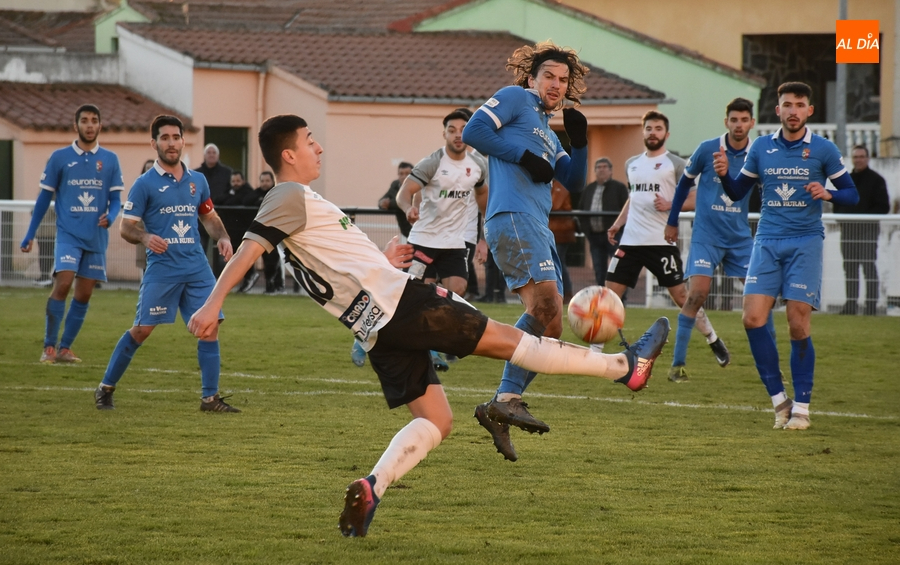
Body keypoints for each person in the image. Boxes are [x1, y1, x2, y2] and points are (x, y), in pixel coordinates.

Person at [186, 113, 670, 537]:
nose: (319, 146)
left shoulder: (304, 201)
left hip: (376, 329)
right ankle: (625, 367)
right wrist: (212, 304)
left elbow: (330, 267)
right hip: (405, 306)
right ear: (288, 154)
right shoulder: (288, 193)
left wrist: (384, 259)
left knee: (437, 420)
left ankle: (371, 488)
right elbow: (250, 249)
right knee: (513, 341)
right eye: (311, 139)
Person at [461, 40, 590, 450]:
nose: (556, 84)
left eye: (563, 79)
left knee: (550, 325)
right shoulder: (516, 99)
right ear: (532, 78)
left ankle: (501, 404)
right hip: (513, 218)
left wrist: (580, 143)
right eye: (549, 76)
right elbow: (473, 130)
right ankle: (505, 396)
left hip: (538, 227)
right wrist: (521, 155)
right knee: (547, 308)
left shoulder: (550, 136)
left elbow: (575, 183)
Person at [714, 82, 858, 430]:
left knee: (797, 323)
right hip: (766, 240)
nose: (793, 110)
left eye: (800, 105)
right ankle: (780, 402)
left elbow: (852, 195)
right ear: (777, 111)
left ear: (810, 111)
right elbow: (737, 192)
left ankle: (803, 409)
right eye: (787, 105)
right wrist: (723, 177)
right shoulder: (762, 147)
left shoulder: (823, 149)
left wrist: (828, 193)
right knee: (752, 318)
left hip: (805, 242)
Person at [93, 114, 239, 413]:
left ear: (183, 141)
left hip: (197, 268)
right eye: (165, 138)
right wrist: (146, 238)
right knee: (142, 330)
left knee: (210, 327)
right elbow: (126, 227)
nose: (171, 143)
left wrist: (222, 237)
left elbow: (208, 216)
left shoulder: (198, 181)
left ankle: (210, 399)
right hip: (163, 270)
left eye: (176, 137)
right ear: (154, 143)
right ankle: (105, 387)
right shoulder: (144, 185)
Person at [606, 110, 729, 367]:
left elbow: (694, 198)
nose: (653, 133)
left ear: (667, 134)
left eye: (658, 129)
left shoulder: (677, 164)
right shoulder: (632, 164)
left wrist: (671, 205)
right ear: (644, 132)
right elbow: (634, 198)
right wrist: (618, 224)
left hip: (661, 242)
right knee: (609, 296)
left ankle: (712, 338)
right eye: (649, 128)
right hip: (630, 242)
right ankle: (595, 350)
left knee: (683, 297)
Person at [663, 97, 767, 383]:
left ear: (751, 123)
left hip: (739, 239)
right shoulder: (708, 149)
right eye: (734, 120)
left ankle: (770, 368)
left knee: (761, 299)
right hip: (706, 236)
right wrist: (672, 220)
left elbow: (767, 188)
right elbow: (685, 182)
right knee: (696, 295)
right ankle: (678, 365)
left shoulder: (757, 154)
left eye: (744, 120)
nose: (739, 125)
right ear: (726, 122)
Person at [19, 104, 124, 364]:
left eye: (94, 120)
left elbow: (116, 199)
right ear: (75, 125)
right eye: (85, 121)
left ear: (100, 125)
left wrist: (111, 216)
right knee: (64, 283)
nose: (89, 125)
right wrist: (30, 234)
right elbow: (44, 198)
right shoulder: (59, 157)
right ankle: (49, 347)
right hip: (67, 234)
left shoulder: (109, 159)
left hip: (96, 237)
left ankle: (65, 348)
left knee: (84, 293)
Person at [396, 109, 489, 371]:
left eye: (463, 129)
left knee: (457, 289)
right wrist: (408, 208)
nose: (458, 135)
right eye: (452, 130)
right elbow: (404, 194)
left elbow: (484, 201)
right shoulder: (432, 163)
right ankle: (373, 335)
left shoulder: (478, 165)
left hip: (454, 242)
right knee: (411, 295)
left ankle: (431, 342)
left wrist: (483, 239)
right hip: (425, 239)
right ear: (444, 133)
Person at [835, 145, 890, 316]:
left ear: (867, 158)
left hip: (868, 230)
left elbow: (883, 207)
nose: (858, 159)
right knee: (850, 268)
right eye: (856, 157)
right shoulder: (846, 180)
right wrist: (843, 218)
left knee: (868, 266)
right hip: (848, 230)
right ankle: (850, 306)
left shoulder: (877, 180)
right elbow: (838, 202)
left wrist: (862, 217)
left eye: (861, 156)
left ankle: (871, 308)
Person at [579, 157, 629, 285]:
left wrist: (620, 230)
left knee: (617, 267)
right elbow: (581, 211)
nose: (601, 170)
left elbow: (627, 210)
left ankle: (619, 299)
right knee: (599, 269)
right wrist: (587, 232)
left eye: (604, 167)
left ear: (611, 171)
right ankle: (602, 299)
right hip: (595, 236)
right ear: (594, 171)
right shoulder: (589, 189)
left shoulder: (619, 188)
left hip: (614, 236)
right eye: (598, 167)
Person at [194, 143, 233, 277]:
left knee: (221, 251)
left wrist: (219, 200)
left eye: (213, 153)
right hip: (200, 219)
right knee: (200, 250)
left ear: (218, 155)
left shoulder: (227, 173)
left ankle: (221, 278)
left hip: (220, 218)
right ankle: (199, 277)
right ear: (204, 155)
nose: (211, 155)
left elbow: (231, 193)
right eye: (208, 152)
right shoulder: (196, 174)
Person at [244, 171, 284, 294]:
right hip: (261, 234)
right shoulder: (255, 193)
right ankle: (269, 287)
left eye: (267, 181)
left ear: (272, 181)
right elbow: (246, 201)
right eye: (262, 181)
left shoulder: (277, 192)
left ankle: (277, 286)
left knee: (274, 261)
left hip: (275, 232)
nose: (264, 183)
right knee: (266, 260)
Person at [220, 170, 260, 293]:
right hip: (232, 231)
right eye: (233, 181)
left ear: (243, 181)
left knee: (244, 256)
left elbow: (245, 201)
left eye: (238, 181)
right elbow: (219, 199)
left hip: (245, 231)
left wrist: (231, 199)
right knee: (234, 256)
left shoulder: (248, 192)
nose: (235, 183)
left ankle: (250, 276)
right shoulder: (228, 192)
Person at [549, 181, 577, 302]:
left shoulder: (561, 185)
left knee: (558, 262)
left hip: (561, 231)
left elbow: (554, 205)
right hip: (550, 231)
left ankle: (566, 292)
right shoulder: (548, 184)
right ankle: (556, 293)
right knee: (552, 262)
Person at [378, 162, 414, 239]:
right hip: (405, 229)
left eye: (407, 173)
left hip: (418, 229)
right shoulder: (395, 185)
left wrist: (390, 204)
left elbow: (408, 201)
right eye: (401, 174)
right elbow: (383, 200)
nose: (404, 176)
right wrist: (382, 203)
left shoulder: (417, 186)